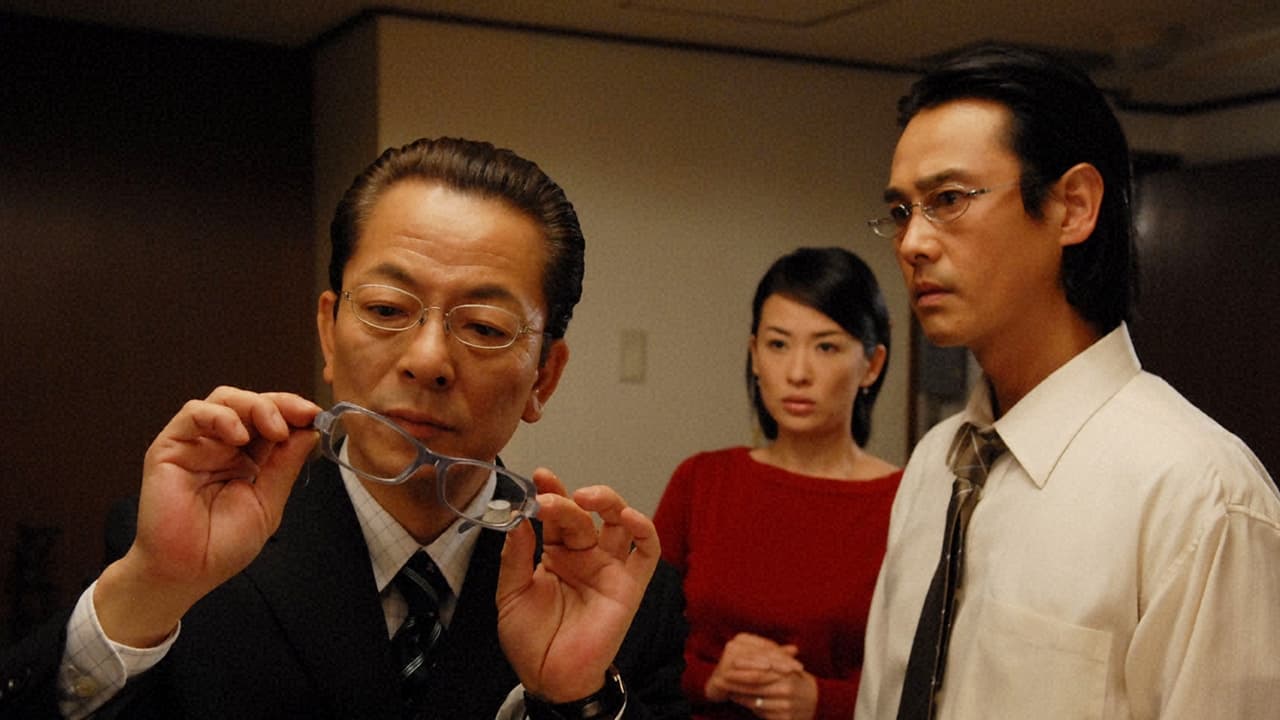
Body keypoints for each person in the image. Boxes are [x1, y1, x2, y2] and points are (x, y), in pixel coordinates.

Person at [0, 137, 688, 719]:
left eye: (483, 327)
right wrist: (149, 589)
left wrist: (572, 701)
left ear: (544, 377)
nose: (428, 360)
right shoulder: (192, 550)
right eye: (387, 309)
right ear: (329, 333)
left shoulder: (615, 595)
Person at [854, 45, 1280, 720]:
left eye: (948, 200)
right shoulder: (938, 463)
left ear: (1073, 207)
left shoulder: (1196, 496)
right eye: (903, 211)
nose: (913, 244)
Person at [655, 247, 902, 720]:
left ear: (871, 365)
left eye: (826, 347)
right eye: (778, 344)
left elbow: (924, 679)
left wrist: (819, 700)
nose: (797, 373)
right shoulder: (701, 481)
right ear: (754, 355)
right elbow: (640, 648)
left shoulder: (905, 500)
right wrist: (712, 677)